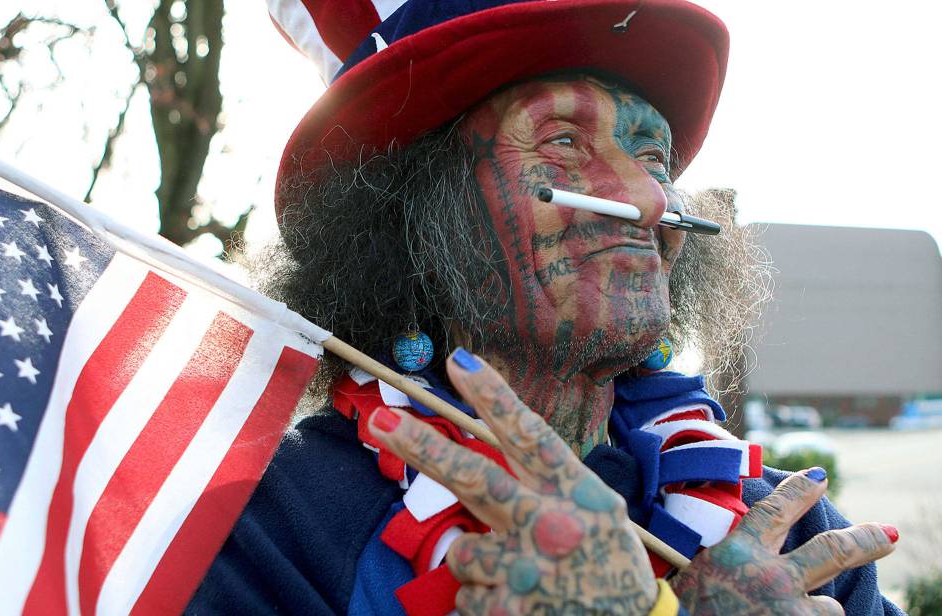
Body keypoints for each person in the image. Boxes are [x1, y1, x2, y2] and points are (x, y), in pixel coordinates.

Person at [188, 1, 901, 614]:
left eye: (654, 156)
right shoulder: (274, 525)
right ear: (415, 218)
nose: (652, 200)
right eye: (563, 143)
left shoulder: (790, 535)